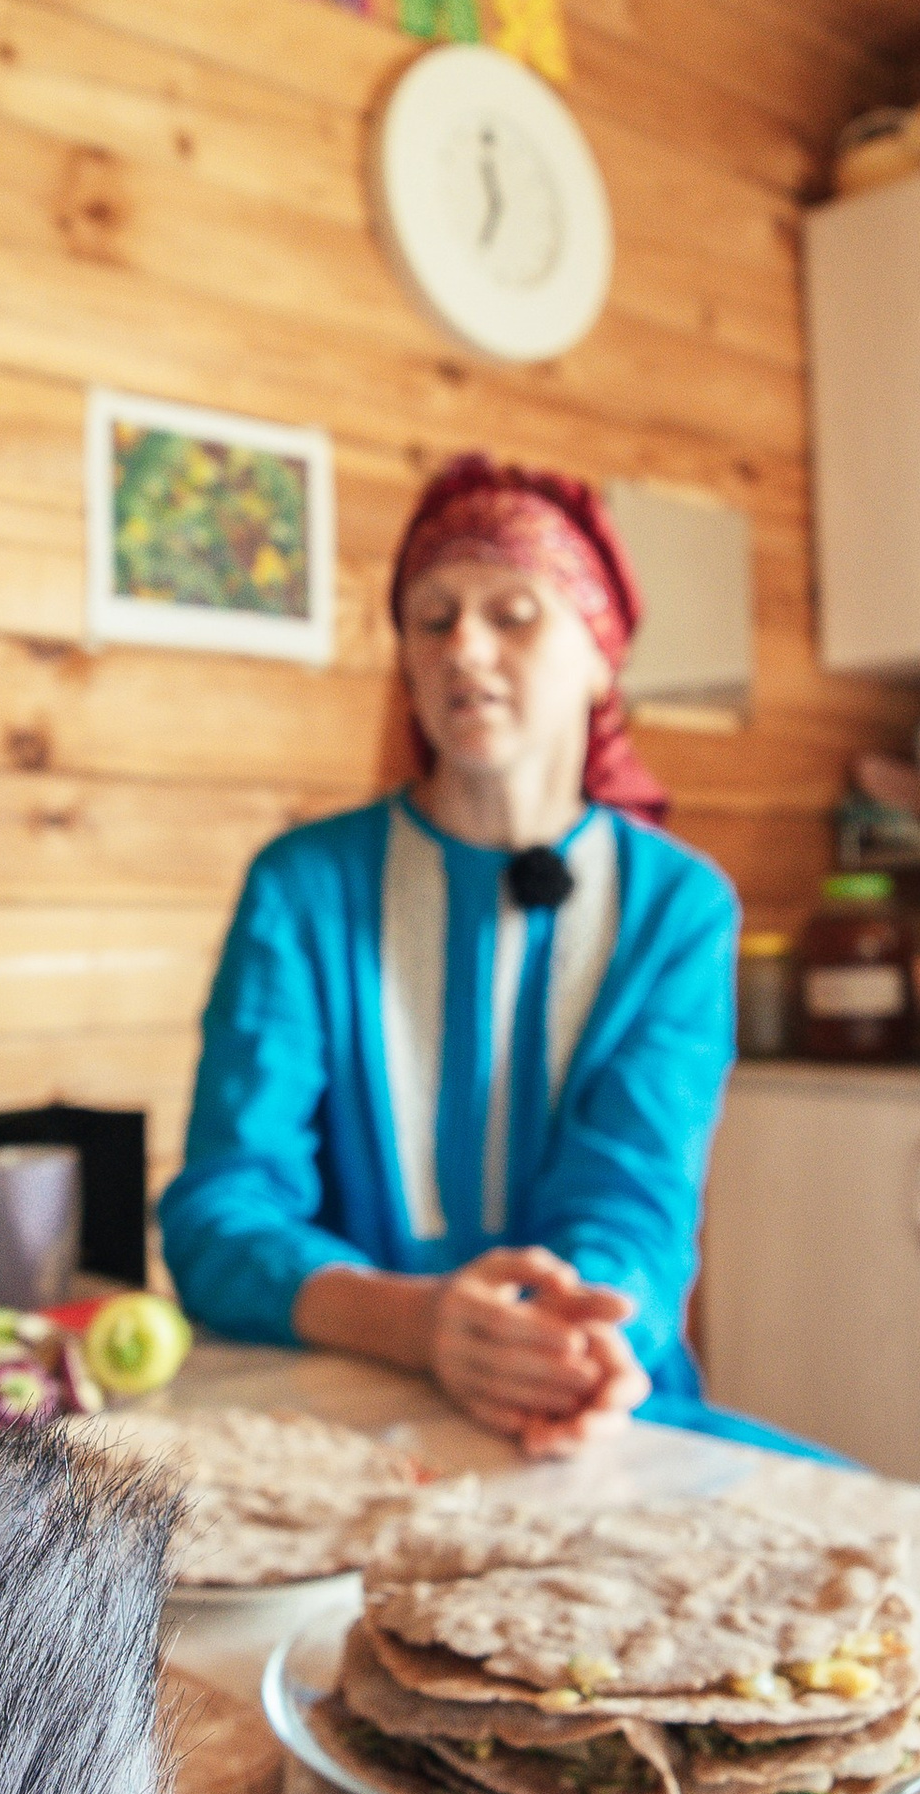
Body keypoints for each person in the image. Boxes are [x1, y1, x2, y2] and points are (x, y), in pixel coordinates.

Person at [160, 455, 812, 1461]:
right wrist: (419, 1324)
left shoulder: (678, 907)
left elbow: (633, 1205)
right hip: (342, 1412)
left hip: (593, 1407)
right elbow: (222, 1210)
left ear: (600, 658)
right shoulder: (302, 886)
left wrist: (560, 1347)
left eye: (512, 613)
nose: (464, 644)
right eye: (432, 617)